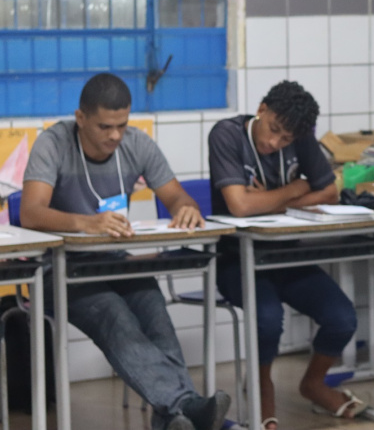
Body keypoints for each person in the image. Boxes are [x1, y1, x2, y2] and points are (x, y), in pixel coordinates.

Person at [20, 73, 231, 430]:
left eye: (122, 125)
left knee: (155, 313)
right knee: (115, 315)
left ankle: (175, 420)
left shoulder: (136, 143)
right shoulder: (52, 143)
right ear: (81, 117)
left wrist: (185, 207)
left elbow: (176, 194)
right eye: (104, 126)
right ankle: (184, 406)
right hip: (63, 272)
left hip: (118, 264)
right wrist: (87, 223)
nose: (115, 136)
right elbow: (30, 212)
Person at [208, 80, 365, 430]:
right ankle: (262, 385)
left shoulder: (299, 134)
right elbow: (240, 205)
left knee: (342, 317)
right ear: (261, 109)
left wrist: (277, 197)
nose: (274, 143)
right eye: (273, 130)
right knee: (267, 318)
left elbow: (330, 193)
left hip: (286, 256)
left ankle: (312, 383)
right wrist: (297, 187)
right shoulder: (226, 135)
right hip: (236, 260)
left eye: (285, 140)